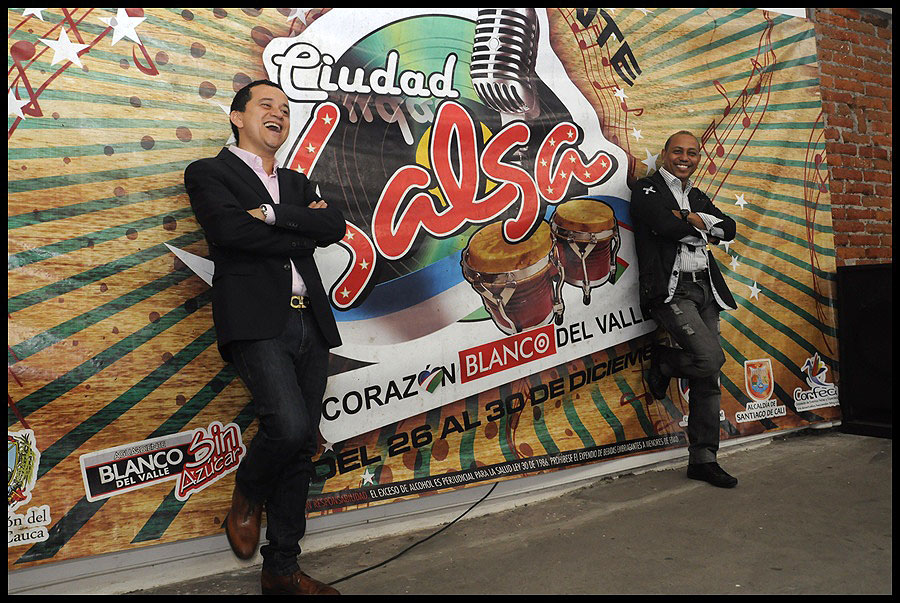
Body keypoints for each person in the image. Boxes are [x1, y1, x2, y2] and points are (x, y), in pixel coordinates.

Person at [184, 80, 346, 594]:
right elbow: (229, 232)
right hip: (256, 321)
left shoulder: (297, 182)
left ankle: (282, 569)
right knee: (289, 427)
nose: (278, 113)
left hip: (311, 321)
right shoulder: (209, 172)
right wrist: (300, 233)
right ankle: (248, 494)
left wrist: (274, 216)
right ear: (237, 117)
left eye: (285, 108)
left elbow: (334, 227)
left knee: (301, 449)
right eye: (265, 105)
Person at [630, 130, 739, 489]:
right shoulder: (646, 189)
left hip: (706, 288)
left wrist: (690, 217)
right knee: (709, 359)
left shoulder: (695, 195)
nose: (685, 158)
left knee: (709, 376)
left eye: (692, 153)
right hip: (672, 290)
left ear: (698, 158)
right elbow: (664, 226)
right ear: (665, 153)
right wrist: (704, 227)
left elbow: (730, 228)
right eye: (678, 151)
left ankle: (704, 459)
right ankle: (663, 361)